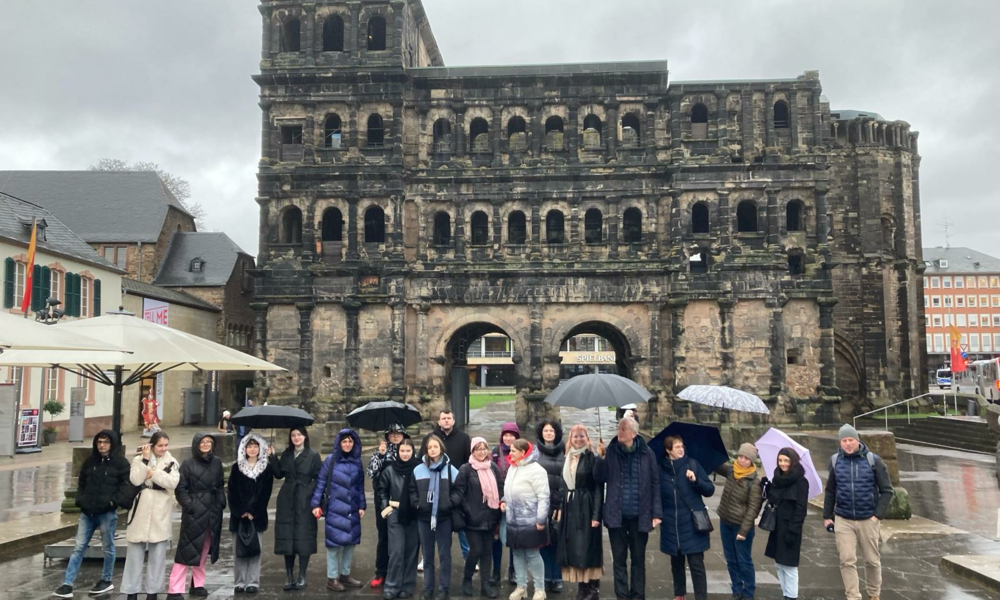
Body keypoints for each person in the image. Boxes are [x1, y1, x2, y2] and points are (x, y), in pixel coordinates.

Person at [54, 430, 131, 598]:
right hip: (87, 511)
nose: (102, 445)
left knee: (108, 547)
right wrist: (80, 500)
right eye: (99, 442)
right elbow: (81, 482)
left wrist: (114, 501)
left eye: (105, 442)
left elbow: (126, 485)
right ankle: (68, 583)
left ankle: (106, 579)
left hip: (106, 512)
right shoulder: (90, 461)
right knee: (79, 547)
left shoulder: (120, 463)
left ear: (112, 444)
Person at [823, 424, 894, 600]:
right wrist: (827, 516)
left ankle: (874, 594)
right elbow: (830, 490)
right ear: (840, 442)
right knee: (847, 560)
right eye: (844, 440)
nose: (847, 444)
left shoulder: (873, 460)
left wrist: (877, 515)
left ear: (857, 440)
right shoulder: (835, 461)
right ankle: (853, 596)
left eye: (850, 440)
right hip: (843, 518)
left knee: (871, 560)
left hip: (867, 518)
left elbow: (887, 490)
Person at [594, 417, 661, 600]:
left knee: (638, 560)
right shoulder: (611, 451)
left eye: (623, 429)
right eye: (619, 428)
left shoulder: (648, 453)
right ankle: (622, 595)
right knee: (619, 560)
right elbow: (599, 478)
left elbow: (655, 483)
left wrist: (656, 513)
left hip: (641, 515)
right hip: (617, 515)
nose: (619, 432)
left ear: (634, 433)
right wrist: (600, 458)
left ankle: (638, 595)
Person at [121, 431, 180, 600]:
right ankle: (131, 591)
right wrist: (146, 462)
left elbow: (173, 482)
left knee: (158, 553)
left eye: (165, 445)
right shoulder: (139, 459)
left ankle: (153, 591)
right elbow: (135, 480)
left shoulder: (172, 461)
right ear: (152, 445)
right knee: (134, 552)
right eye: (160, 445)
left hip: (161, 506)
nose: (163, 448)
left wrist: (153, 474)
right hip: (141, 506)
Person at [167, 433, 226, 600]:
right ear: (196, 444)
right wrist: (190, 505)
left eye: (209, 442)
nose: (206, 444)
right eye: (203, 442)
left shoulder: (216, 462)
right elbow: (180, 489)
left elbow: (221, 484)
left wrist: (221, 500)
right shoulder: (188, 464)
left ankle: (198, 583)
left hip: (213, 510)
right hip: (195, 511)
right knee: (187, 549)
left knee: (204, 548)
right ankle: (175, 589)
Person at [658, 435, 715, 600]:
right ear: (668, 450)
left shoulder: (692, 465)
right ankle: (679, 594)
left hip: (692, 523)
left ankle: (701, 597)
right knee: (676, 564)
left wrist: (696, 481)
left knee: (696, 564)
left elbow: (709, 490)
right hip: (671, 523)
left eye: (682, 446)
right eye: (677, 447)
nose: (681, 449)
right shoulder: (660, 469)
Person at [312, 429, 367, 592]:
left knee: (351, 543)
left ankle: (345, 574)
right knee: (334, 545)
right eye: (344, 441)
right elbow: (321, 482)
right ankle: (332, 577)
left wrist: (362, 505)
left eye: (350, 441)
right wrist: (316, 504)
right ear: (339, 443)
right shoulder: (330, 460)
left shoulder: (357, 462)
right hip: (335, 507)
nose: (348, 444)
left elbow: (360, 485)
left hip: (352, 507)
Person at [269, 426, 323, 591]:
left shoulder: (313, 455)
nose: (296, 437)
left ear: (304, 436)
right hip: (287, 498)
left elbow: (318, 478)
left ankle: (302, 575)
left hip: (305, 499)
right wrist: (272, 457)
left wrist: (313, 496)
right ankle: (289, 575)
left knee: (303, 536)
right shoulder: (286, 453)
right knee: (288, 536)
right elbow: (279, 474)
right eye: (293, 435)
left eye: (299, 434)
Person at [556, 425, 603, 600]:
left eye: (581, 436)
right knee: (575, 548)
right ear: (570, 438)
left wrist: (596, 515)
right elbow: (563, 485)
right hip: (571, 506)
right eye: (575, 436)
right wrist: (561, 508)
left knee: (587, 547)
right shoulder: (567, 457)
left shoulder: (592, 458)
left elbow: (599, 488)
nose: (578, 439)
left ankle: (592, 588)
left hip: (587, 505)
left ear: (587, 438)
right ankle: (582, 588)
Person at [455, 437, 504, 598]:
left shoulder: (493, 468)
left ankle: (486, 584)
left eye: (484, 448)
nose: (482, 452)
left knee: (487, 552)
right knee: (475, 550)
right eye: (478, 449)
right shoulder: (466, 469)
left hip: (490, 517)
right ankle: (467, 579)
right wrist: (468, 511)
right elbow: (459, 493)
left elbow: (500, 488)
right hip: (473, 519)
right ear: (472, 451)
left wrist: (498, 509)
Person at [422, 411, 472, 565]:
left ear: (454, 420)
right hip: (434, 485)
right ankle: (426, 558)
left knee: (461, 524)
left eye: (449, 418)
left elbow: (467, 461)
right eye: (443, 418)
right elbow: (422, 460)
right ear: (439, 421)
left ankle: (468, 557)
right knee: (433, 523)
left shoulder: (463, 438)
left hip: (456, 486)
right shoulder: (429, 438)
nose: (446, 421)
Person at [414, 434, 461, 600]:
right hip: (424, 517)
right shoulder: (418, 469)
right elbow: (412, 490)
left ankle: (444, 588)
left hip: (443, 517)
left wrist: (450, 502)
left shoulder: (450, 469)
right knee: (427, 555)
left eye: (436, 446)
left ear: (441, 448)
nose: (433, 450)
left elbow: (459, 490)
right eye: (430, 447)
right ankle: (428, 588)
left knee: (444, 555)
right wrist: (416, 503)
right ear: (426, 450)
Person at [502, 438, 549, 600]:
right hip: (513, 521)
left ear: (523, 453)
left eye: (514, 450)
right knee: (517, 554)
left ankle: (540, 589)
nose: (510, 453)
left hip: (530, 521)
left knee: (532, 554)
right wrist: (503, 501)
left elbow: (544, 496)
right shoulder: (513, 468)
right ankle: (521, 587)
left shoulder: (537, 470)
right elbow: (509, 489)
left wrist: (541, 519)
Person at [228, 433, 274, 595]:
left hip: (257, 516)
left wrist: (254, 512)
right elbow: (232, 493)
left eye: (255, 446)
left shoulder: (266, 468)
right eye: (249, 446)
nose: (252, 449)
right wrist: (241, 512)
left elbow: (266, 493)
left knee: (255, 550)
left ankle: (253, 582)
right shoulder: (236, 467)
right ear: (244, 449)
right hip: (238, 517)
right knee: (239, 551)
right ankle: (239, 582)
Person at [716, 443, 763, 600]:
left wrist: (743, 531)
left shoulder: (754, 482)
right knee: (731, 559)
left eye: (746, 458)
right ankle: (736, 589)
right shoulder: (731, 471)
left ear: (752, 461)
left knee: (744, 561)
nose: (742, 460)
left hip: (741, 527)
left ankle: (748, 592)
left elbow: (753, 509)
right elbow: (716, 465)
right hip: (725, 522)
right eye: (741, 457)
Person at [368, 423, 412, 589]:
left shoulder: (407, 451)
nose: (395, 436)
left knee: (404, 539)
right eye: (392, 433)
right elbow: (371, 472)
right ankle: (381, 571)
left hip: (404, 501)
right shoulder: (382, 451)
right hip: (384, 500)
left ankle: (401, 572)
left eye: (398, 433)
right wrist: (379, 456)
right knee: (384, 537)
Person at [377, 438, 421, 600]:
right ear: (397, 452)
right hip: (395, 512)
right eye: (402, 451)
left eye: (408, 451)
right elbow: (381, 490)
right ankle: (392, 585)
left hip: (413, 513)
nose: (405, 454)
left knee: (411, 551)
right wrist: (386, 509)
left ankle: (407, 585)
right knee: (396, 550)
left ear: (412, 451)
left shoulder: (419, 468)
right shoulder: (390, 470)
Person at [764, 448, 809, 600]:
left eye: (786, 461)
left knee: (789, 566)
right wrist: (766, 488)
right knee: (778, 564)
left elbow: (801, 509)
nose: (783, 464)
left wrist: (793, 530)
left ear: (793, 461)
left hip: (790, 528)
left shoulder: (801, 481)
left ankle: (791, 596)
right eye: (780, 460)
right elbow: (773, 500)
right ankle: (785, 593)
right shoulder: (777, 478)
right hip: (777, 527)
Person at [534, 420, 565, 594]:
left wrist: (562, 504)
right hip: (541, 503)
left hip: (559, 504)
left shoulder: (564, 451)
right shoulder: (535, 452)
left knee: (558, 543)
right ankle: (545, 578)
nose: (548, 433)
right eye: (545, 430)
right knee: (543, 542)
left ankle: (558, 577)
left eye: (551, 430)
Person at [491, 422, 521, 586]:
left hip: (515, 500)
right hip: (497, 500)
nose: (508, 438)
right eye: (506, 435)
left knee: (513, 537)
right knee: (496, 538)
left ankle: (513, 570)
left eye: (512, 435)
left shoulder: (521, 453)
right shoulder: (495, 453)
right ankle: (496, 571)